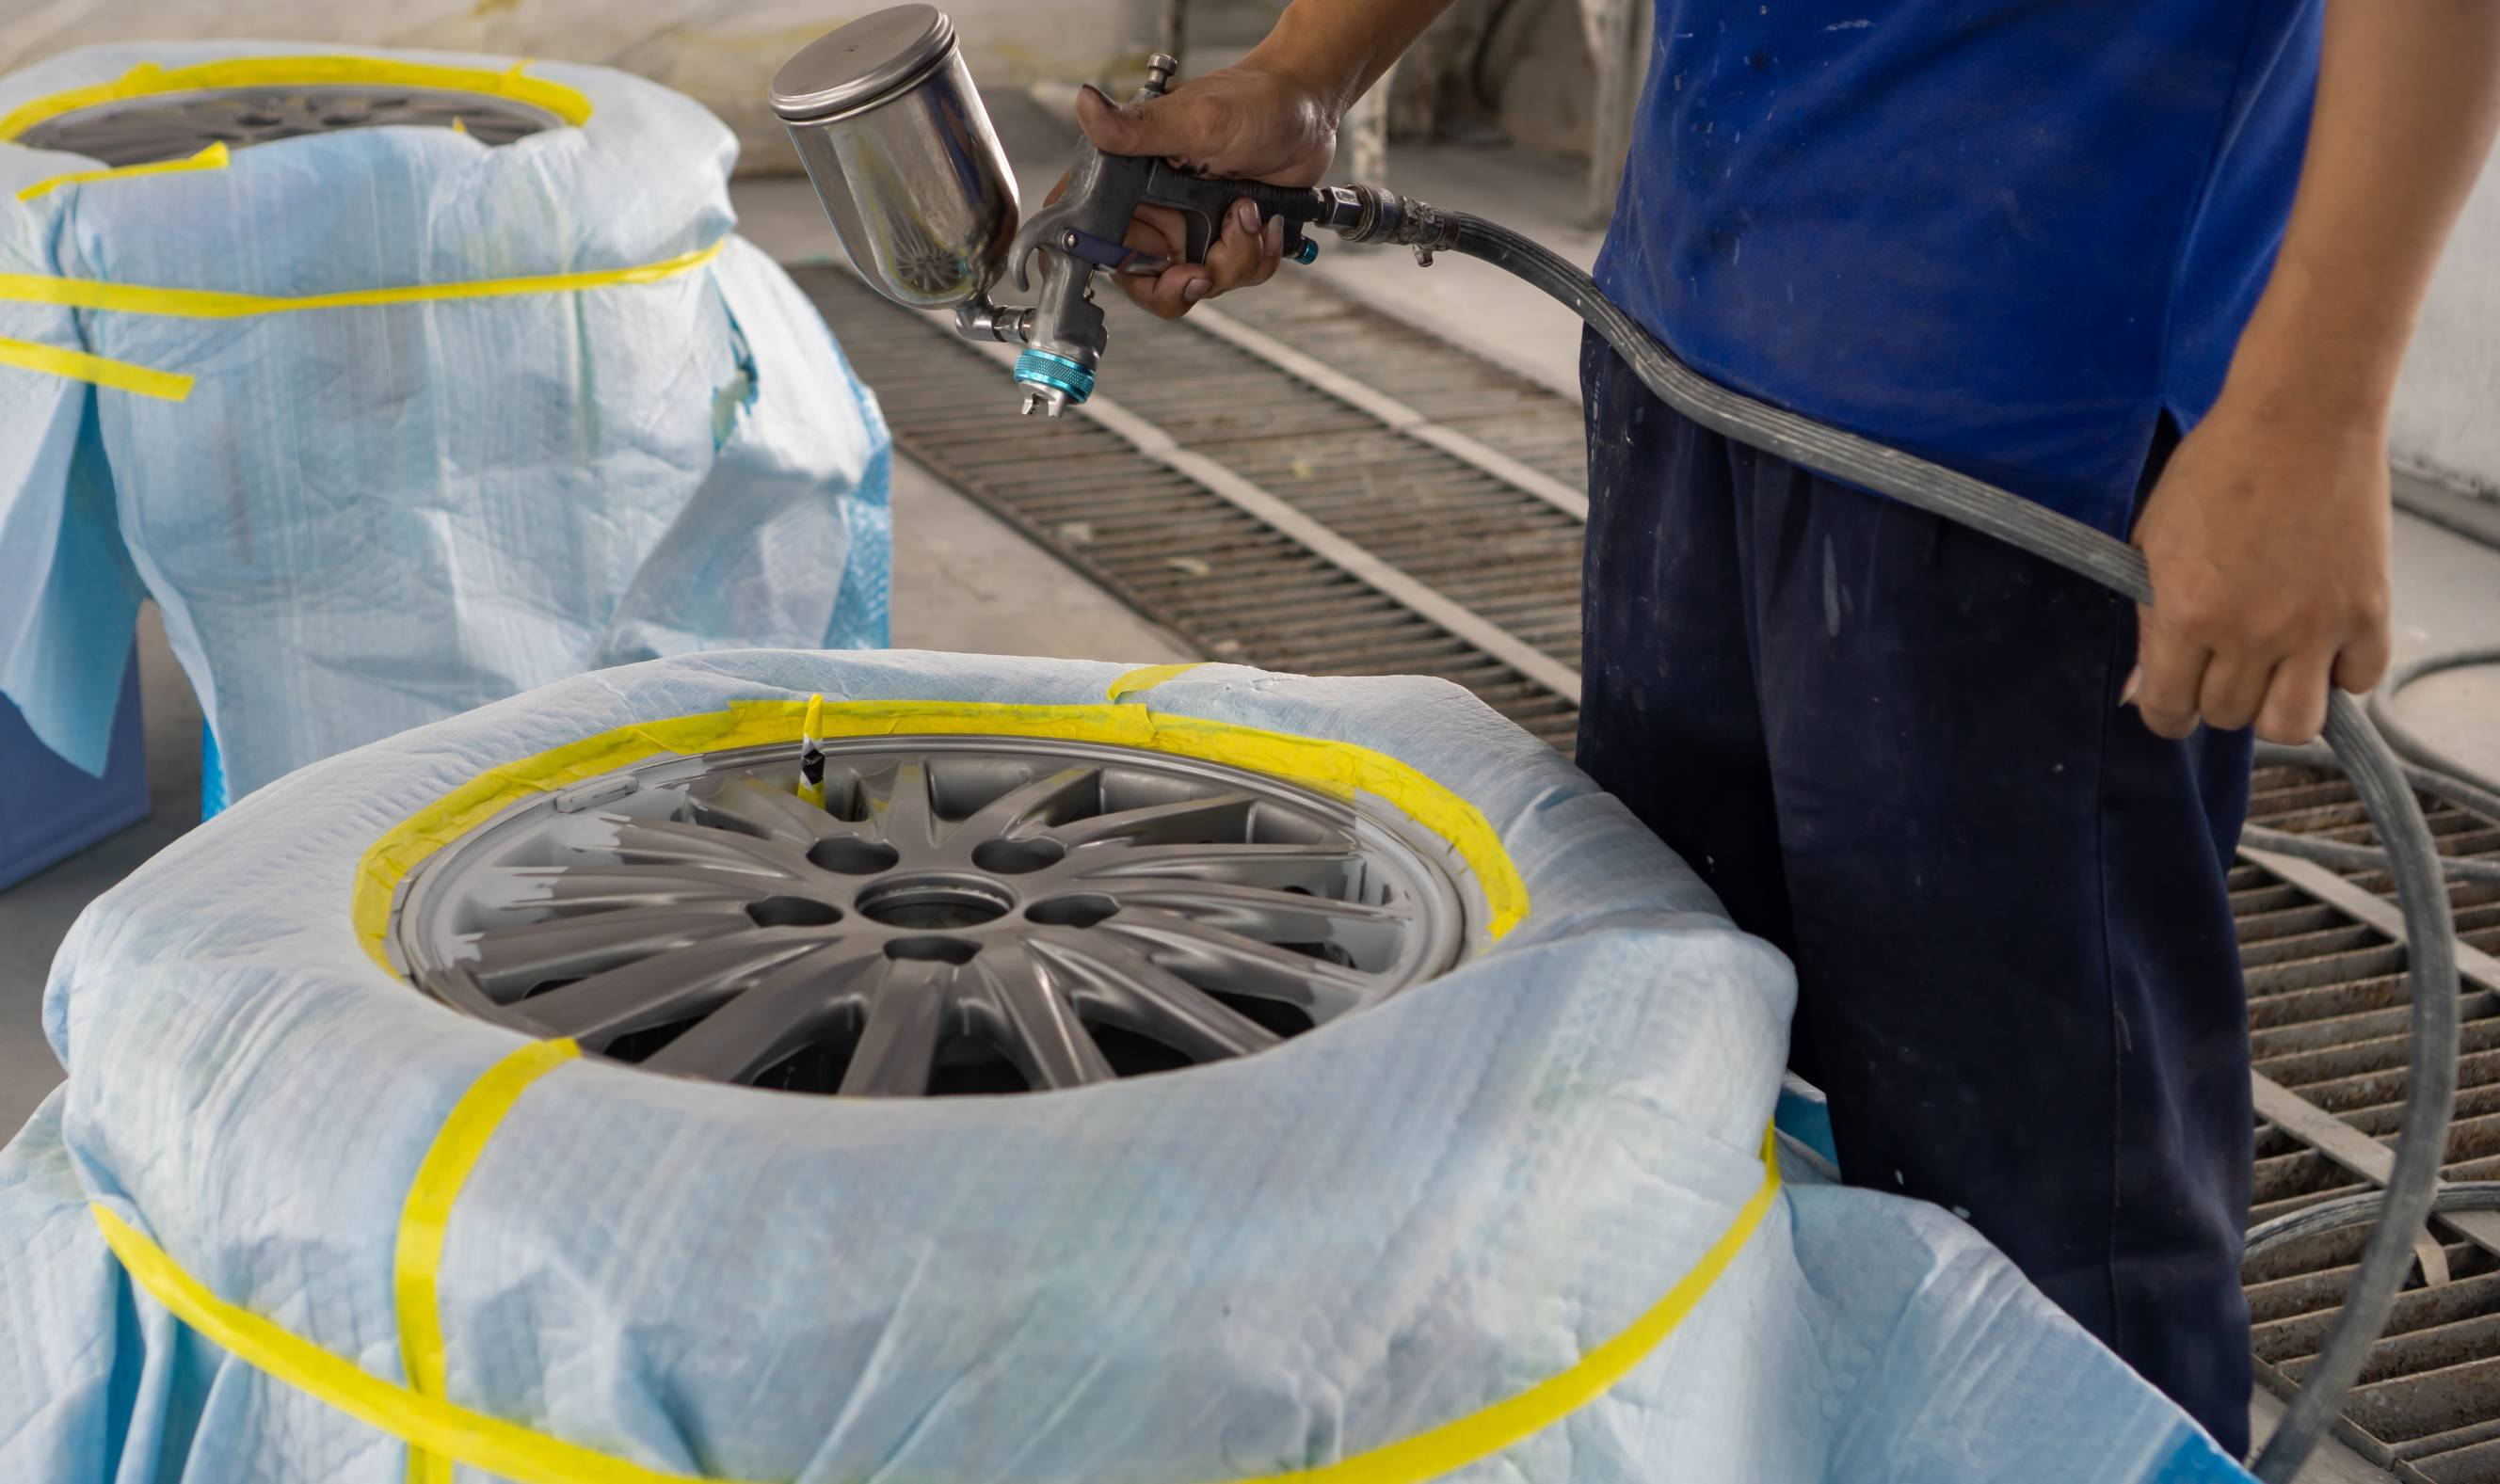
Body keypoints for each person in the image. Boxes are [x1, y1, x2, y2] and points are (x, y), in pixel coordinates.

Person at [1070, 0, 2500, 1455]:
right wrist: (1310, 74)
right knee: (1693, 1081)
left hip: (2029, 410)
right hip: (1693, 336)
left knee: (2036, 1229)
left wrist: (2310, 409)